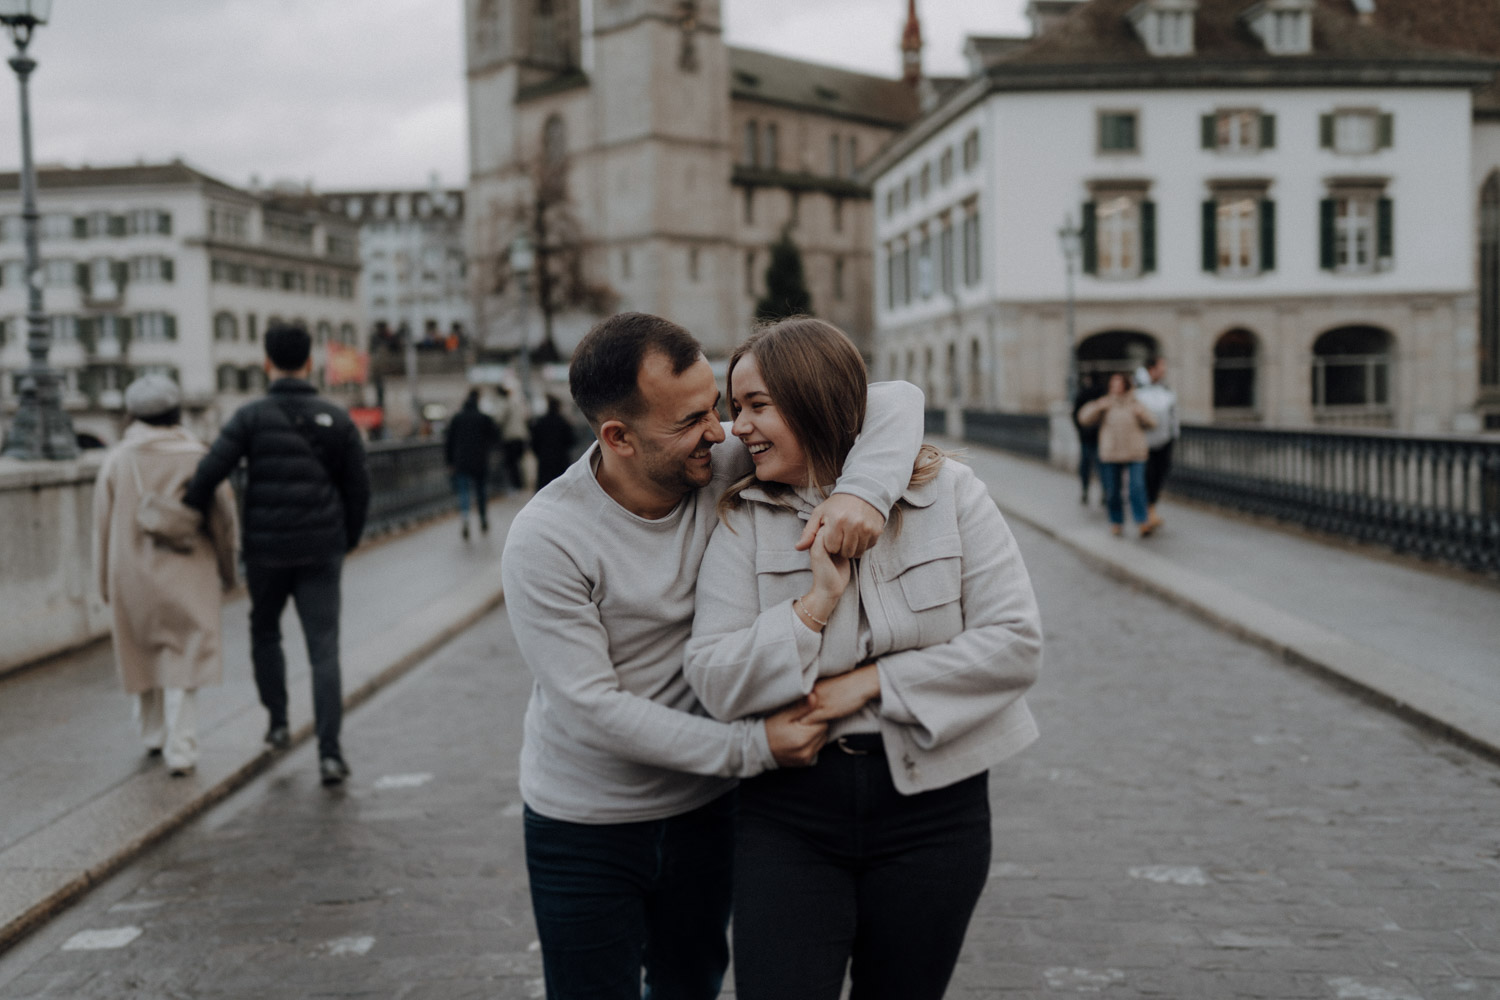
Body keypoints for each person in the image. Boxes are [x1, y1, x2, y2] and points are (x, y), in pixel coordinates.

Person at [499, 311, 925, 1000]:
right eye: (692, 419)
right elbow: (592, 709)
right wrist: (754, 749)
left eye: (717, 407)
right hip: (587, 820)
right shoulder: (547, 538)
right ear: (619, 437)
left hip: (708, 810)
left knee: (691, 985)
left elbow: (897, 398)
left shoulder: (720, 459)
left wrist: (861, 492)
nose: (722, 431)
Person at [682, 317, 1042, 1000]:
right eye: (736, 407)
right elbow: (716, 680)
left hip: (938, 807)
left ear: (816, 400)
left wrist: (866, 685)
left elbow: (1015, 644)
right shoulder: (741, 517)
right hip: (788, 812)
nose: (738, 428)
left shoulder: (952, 493)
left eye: (758, 405)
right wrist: (814, 605)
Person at [183, 323, 371, 786]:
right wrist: (346, 538)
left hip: (266, 550)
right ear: (310, 362)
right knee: (324, 651)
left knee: (265, 633)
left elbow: (207, 475)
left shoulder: (250, 417)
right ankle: (330, 754)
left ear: (268, 362)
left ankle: (279, 725)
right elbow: (358, 489)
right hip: (321, 547)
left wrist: (188, 511)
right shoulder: (337, 417)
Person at [92, 375, 239, 777]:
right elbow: (223, 521)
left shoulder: (118, 460)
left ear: (132, 415)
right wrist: (228, 571)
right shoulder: (198, 455)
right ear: (175, 413)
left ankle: (152, 735)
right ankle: (182, 749)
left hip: (133, 573)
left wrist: (103, 584)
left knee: (141, 650)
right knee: (184, 656)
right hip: (188, 569)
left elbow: (101, 528)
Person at [1077, 372, 1156, 537]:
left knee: (1137, 487)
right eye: (1113, 385)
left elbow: (1153, 422)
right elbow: (1083, 418)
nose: (1116, 388)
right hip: (1111, 452)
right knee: (1113, 490)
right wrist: (1099, 407)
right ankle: (1116, 521)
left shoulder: (1135, 402)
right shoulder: (1105, 403)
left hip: (1135, 452)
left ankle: (1142, 521)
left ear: (1126, 386)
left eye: (1119, 384)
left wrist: (1141, 414)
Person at [444, 388, 500, 540]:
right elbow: (495, 436)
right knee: (481, 491)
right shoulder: (483, 418)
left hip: (461, 461)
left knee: (464, 492)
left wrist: (449, 461)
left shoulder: (457, 418)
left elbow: (449, 442)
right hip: (480, 460)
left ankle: (465, 518)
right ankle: (482, 518)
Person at [1135, 356, 1178, 533]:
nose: (1164, 369)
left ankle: (1150, 509)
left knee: (1159, 476)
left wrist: (1174, 435)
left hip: (1165, 440)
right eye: (1161, 366)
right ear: (1151, 369)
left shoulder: (1165, 389)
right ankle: (1143, 514)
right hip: (1143, 443)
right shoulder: (1138, 389)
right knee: (1144, 479)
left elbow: (1172, 415)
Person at [527, 394, 576, 491]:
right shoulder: (563, 422)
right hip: (560, 459)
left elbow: (534, 442)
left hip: (544, 458)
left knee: (545, 486)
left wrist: (539, 453)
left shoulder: (540, 422)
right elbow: (571, 440)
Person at [1072, 371, 1105, 505]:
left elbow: (1075, 415)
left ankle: (1086, 491)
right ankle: (1104, 493)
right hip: (1097, 437)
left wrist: (1081, 430)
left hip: (1088, 438)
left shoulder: (1083, 393)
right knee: (1099, 467)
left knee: (1086, 466)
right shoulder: (1101, 394)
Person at [495, 386, 529, 492]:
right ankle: (521, 485)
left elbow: (499, 420)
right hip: (521, 436)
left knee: (511, 463)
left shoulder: (504, 403)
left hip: (510, 437)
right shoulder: (515, 403)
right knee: (518, 462)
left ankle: (516, 486)